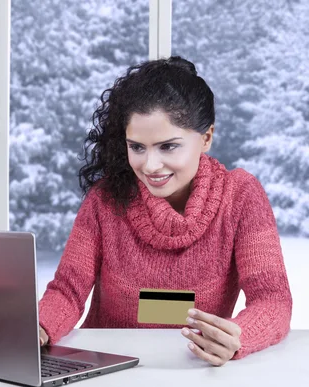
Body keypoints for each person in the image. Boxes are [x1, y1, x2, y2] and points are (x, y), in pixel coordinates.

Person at [37, 56, 293, 367]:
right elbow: (68, 290)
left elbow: (273, 300)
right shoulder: (106, 198)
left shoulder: (241, 197)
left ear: (207, 138)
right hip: (108, 372)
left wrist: (239, 336)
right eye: (137, 147)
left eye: (168, 147)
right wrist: (40, 327)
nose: (150, 166)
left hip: (198, 372)